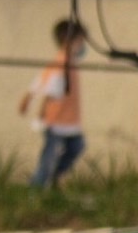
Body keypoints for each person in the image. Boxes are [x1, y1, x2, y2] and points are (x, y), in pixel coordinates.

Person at [19, 19, 87, 188]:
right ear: (69, 41)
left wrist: (28, 98)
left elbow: (39, 82)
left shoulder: (69, 63)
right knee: (49, 155)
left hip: (68, 121)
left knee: (76, 146)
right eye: (80, 41)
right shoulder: (61, 64)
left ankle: (52, 178)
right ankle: (37, 185)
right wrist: (40, 113)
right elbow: (47, 90)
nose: (82, 46)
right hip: (55, 120)